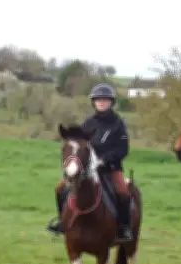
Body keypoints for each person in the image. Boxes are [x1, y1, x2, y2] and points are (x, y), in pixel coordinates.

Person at [47, 83, 133, 242]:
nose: (101, 102)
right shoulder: (88, 122)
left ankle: (124, 228)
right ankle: (62, 222)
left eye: (105, 100)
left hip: (111, 168)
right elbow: (80, 146)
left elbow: (123, 149)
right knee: (60, 188)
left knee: (123, 192)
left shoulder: (118, 124)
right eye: (98, 99)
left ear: (111, 102)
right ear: (94, 102)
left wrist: (104, 160)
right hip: (88, 169)